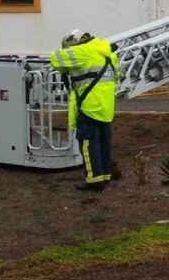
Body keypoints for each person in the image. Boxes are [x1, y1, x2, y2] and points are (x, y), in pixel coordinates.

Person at [51, 30, 120, 191]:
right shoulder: (108, 53)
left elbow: (56, 59)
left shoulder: (83, 51)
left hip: (89, 108)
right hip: (106, 108)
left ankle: (94, 181)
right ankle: (105, 175)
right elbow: (117, 77)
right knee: (104, 143)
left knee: (88, 144)